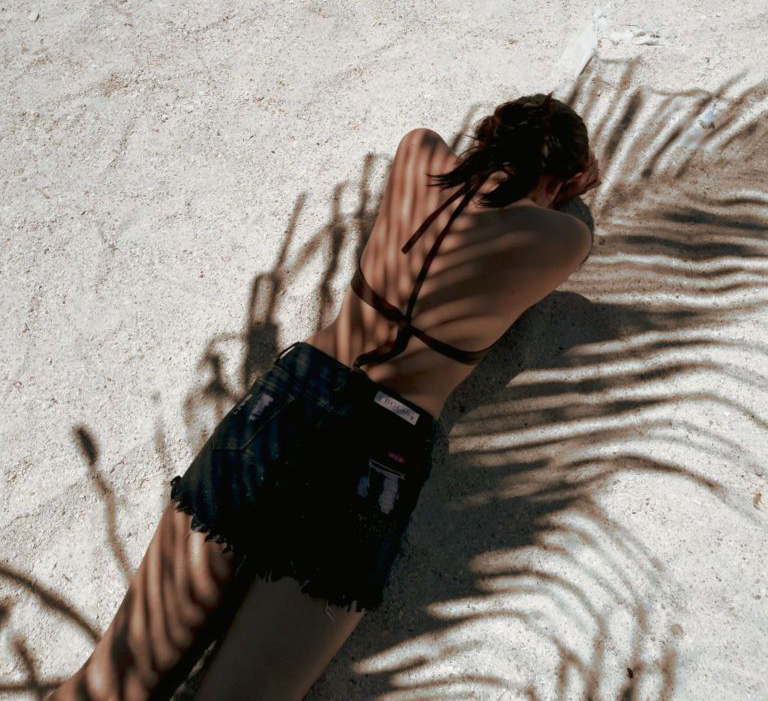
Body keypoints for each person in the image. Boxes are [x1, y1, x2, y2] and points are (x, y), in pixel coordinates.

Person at [47, 91, 600, 701]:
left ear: (487, 135)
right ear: (566, 177)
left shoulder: (419, 152)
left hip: (292, 399)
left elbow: (451, 153)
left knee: (112, 683)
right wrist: (562, 186)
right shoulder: (560, 239)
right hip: (380, 449)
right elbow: (578, 215)